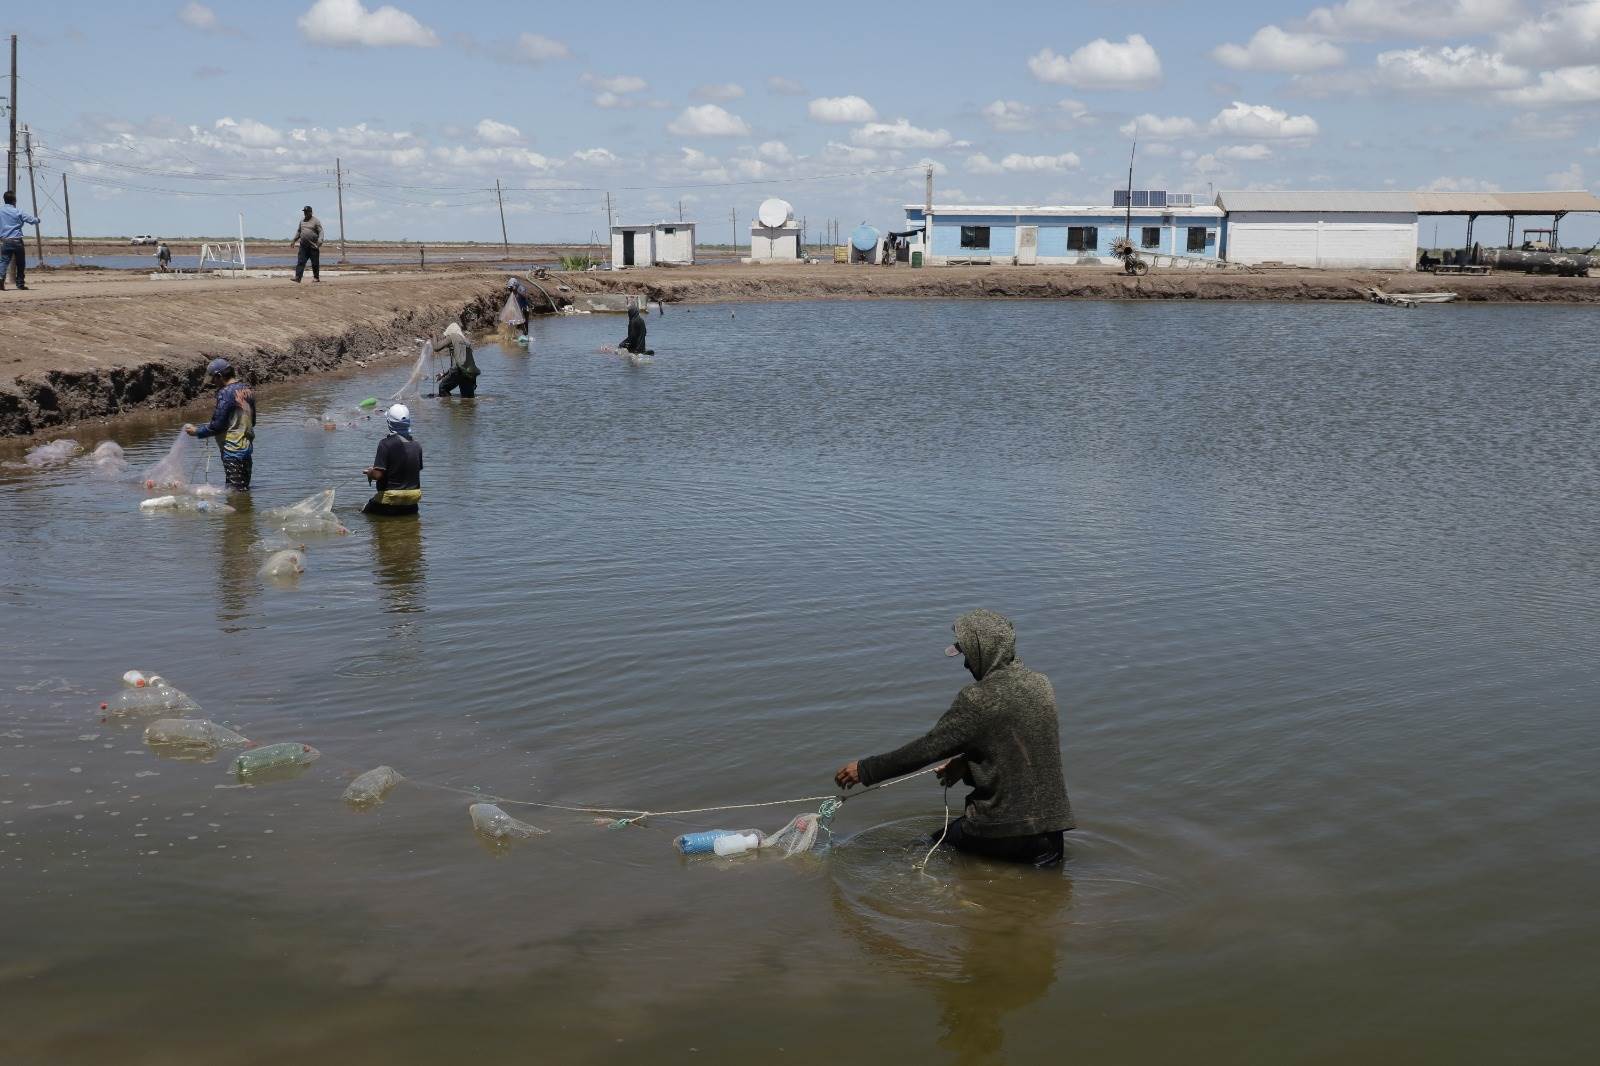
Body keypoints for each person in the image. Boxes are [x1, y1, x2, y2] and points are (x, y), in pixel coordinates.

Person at [834, 609, 1074, 867]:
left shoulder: (978, 698)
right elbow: (1020, 750)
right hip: (1052, 832)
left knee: (919, 853)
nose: (966, 663)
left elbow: (926, 749)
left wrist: (865, 770)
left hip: (1001, 831)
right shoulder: (1041, 685)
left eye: (968, 653)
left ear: (984, 650)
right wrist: (967, 764)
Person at [184, 358, 257, 491]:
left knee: (235, 493)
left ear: (219, 376)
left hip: (232, 450)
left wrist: (197, 432)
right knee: (243, 489)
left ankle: (238, 512)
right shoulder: (247, 390)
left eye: (213, 379)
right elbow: (253, 422)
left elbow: (217, 426)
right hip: (246, 449)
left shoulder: (225, 393)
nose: (213, 383)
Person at [362, 404, 423, 516]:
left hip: (389, 502)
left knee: (364, 514)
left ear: (389, 423)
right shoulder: (417, 445)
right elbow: (412, 470)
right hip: (412, 503)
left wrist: (370, 472)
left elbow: (378, 475)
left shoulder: (385, 444)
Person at [0, 190, 41, 291]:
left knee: (4, 262)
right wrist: (38, 219)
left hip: (5, 241)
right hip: (17, 241)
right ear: (14, 201)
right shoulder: (18, 211)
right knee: (20, 263)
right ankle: (20, 284)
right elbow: (32, 220)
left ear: (4, 200)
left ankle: (1, 279)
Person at [433, 322, 479, 398]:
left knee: (443, 388)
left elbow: (436, 347)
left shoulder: (452, 336)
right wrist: (444, 374)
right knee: (467, 398)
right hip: (471, 374)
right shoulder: (466, 341)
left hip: (459, 371)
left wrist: (434, 335)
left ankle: (448, 406)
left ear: (450, 332)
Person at [289, 205, 323, 283]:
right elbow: (299, 231)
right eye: (304, 212)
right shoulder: (302, 221)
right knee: (301, 261)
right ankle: (298, 278)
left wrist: (320, 241)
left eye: (307, 212)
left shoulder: (316, 221)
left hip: (313, 246)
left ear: (311, 212)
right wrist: (294, 240)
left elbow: (321, 231)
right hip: (303, 246)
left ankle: (316, 278)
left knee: (315, 263)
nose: (305, 213)